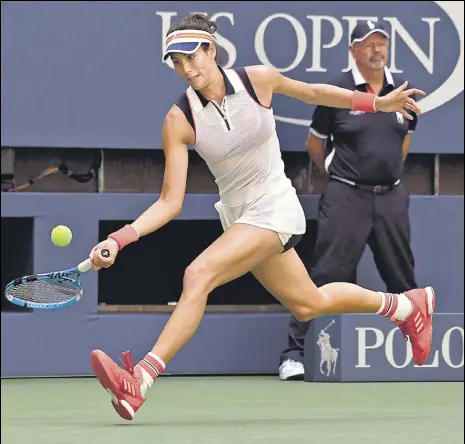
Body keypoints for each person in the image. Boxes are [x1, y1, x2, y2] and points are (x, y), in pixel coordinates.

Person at [88, 14, 433, 421]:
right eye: (176, 63)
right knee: (309, 303)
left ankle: (140, 380)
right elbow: (170, 202)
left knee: (198, 274)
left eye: (192, 57)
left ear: (211, 50)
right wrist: (121, 238)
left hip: (275, 207)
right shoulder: (178, 121)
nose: (186, 69)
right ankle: (407, 307)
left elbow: (313, 92)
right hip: (239, 217)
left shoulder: (257, 80)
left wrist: (376, 103)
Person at [278, 20, 421, 381]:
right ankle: (294, 354)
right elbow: (315, 143)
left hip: (392, 198)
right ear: (353, 50)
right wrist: (339, 171)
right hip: (345, 196)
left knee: (402, 277)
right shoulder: (337, 91)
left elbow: (404, 140)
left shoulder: (402, 90)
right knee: (326, 276)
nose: (377, 50)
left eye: (381, 44)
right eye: (368, 44)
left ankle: (418, 356)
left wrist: (386, 171)